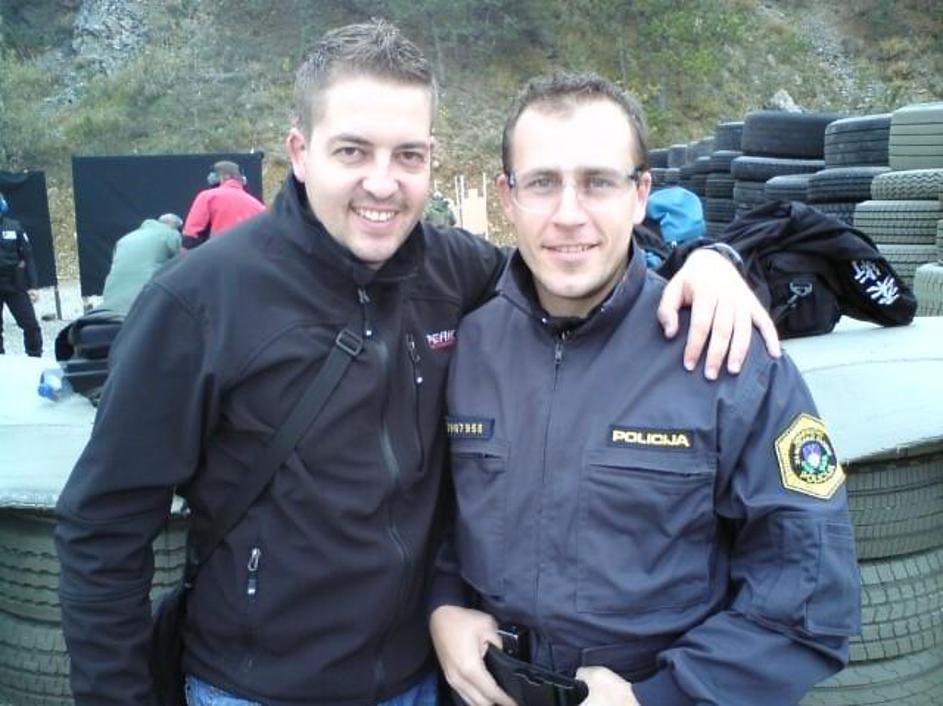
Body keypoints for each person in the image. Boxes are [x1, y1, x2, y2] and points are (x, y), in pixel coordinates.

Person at [55, 21, 779, 706]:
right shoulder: (199, 302)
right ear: (300, 153)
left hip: (425, 680)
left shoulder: (455, 270)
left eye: (408, 155)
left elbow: (571, 255)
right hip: (255, 688)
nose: (383, 183)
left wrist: (708, 260)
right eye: (352, 152)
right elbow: (103, 529)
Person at [429, 74, 860, 706]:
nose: (568, 214)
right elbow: (436, 518)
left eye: (598, 182)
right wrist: (442, 603)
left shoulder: (727, 355)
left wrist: (660, 696)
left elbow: (809, 599)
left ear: (640, 195)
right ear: (507, 196)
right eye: (542, 182)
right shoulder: (468, 347)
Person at [101, 213, 183, 315]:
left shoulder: (125, 239)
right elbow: (183, 262)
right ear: (173, 225)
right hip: (146, 293)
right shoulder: (171, 233)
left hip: (112, 294)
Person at [181, 160, 265, 249]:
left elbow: (190, 238)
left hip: (216, 253)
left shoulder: (208, 197)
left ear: (221, 177)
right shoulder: (258, 206)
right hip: (249, 255)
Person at [0, 191, 42, 357]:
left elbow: (28, 257)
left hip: (15, 284)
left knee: (31, 325)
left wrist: (33, 286)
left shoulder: (15, 227)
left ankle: (35, 357)